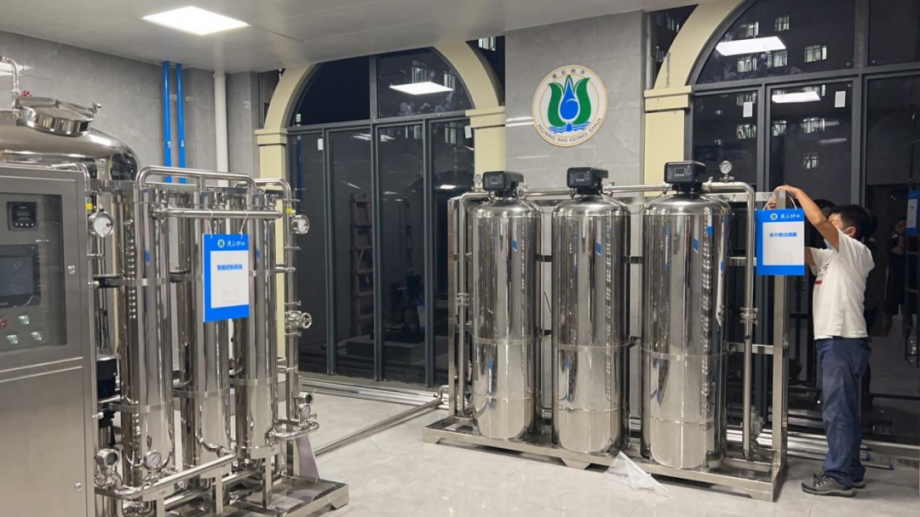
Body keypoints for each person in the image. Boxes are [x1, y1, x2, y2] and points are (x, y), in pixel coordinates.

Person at [768, 185, 875, 497]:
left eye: (834, 222)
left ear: (849, 232)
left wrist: (796, 192)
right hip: (835, 341)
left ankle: (838, 476)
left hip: (843, 340)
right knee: (845, 410)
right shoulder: (829, 257)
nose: (827, 224)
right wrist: (774, 214)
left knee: (837, 411)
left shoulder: (857, 252)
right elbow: (785, 248)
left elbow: (818, 221)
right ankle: (851, 470)